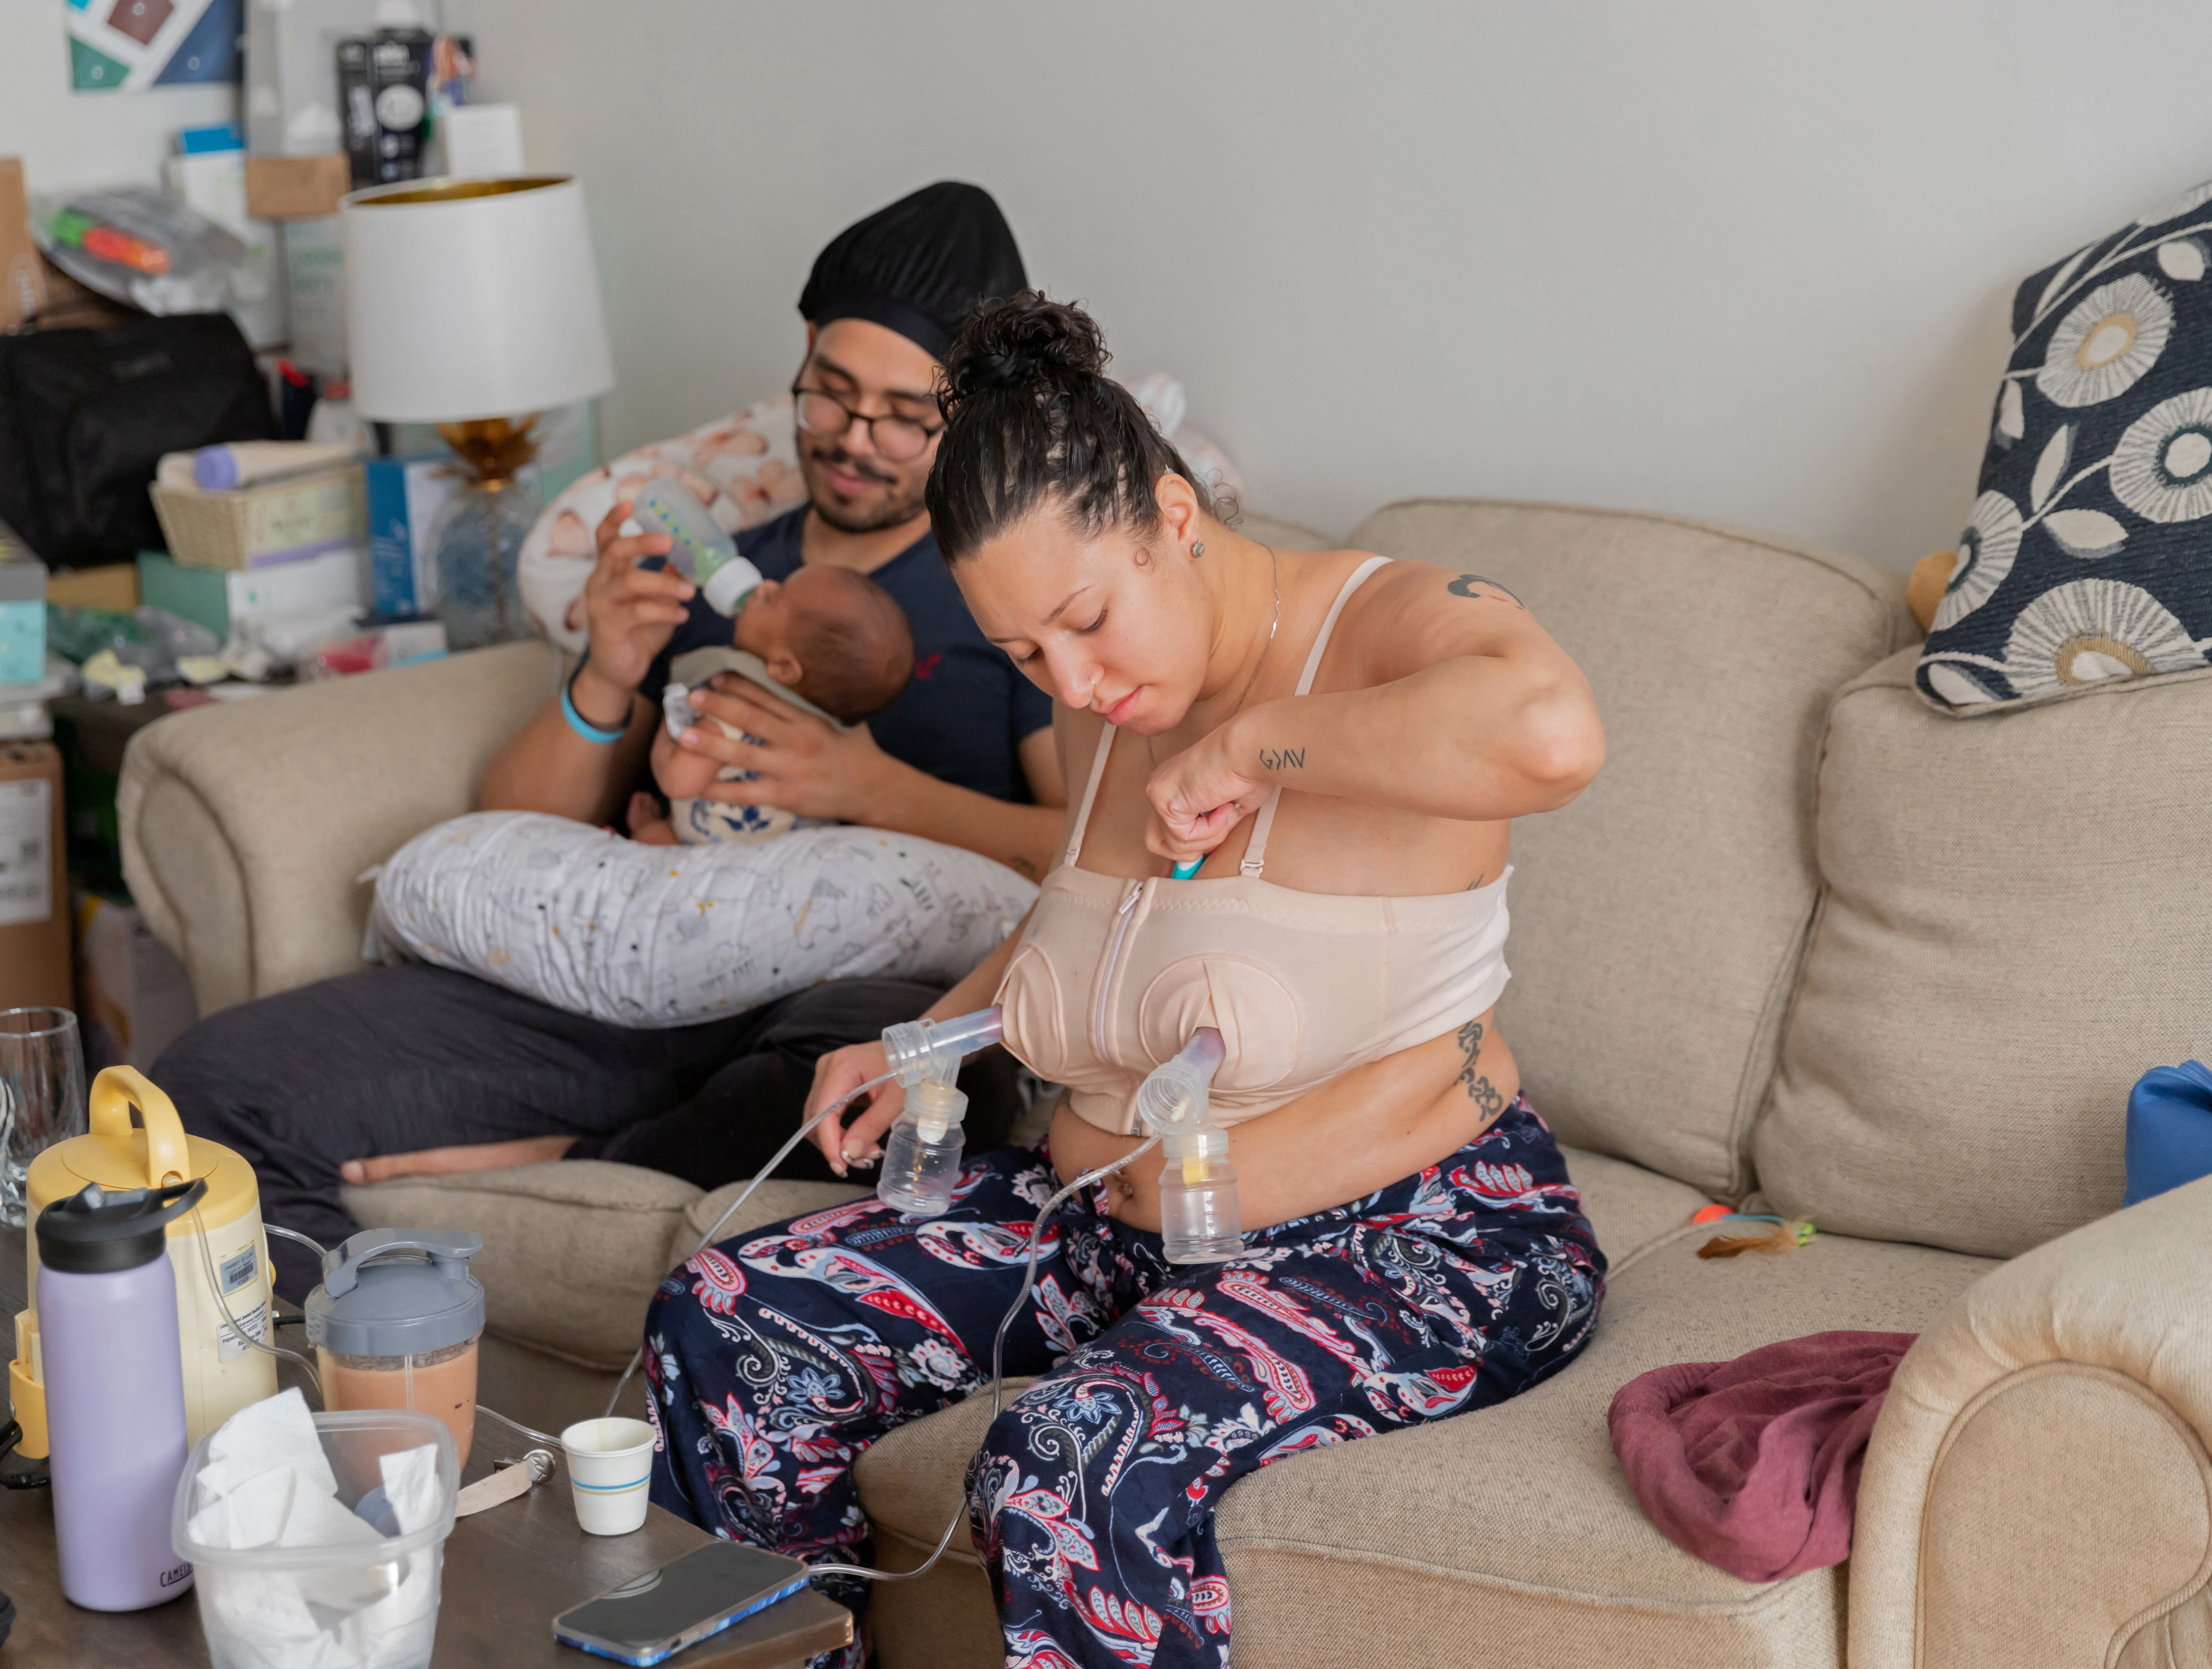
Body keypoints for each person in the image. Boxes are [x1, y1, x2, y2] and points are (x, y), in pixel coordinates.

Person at [643, 294, 1610, 1669]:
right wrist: (917, 1038)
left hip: (1414, 1242)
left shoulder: (1383, 622)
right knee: (736, 1317)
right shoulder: (1108, 706)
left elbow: (1554, 732)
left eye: (1088, 623)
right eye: (1028, 653)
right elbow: (1097, 921)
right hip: (1106, 1228)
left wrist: (1255, 748)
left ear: (1172, 512)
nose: (1075, 682)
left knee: (1063, 1469)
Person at [155, 183, 1066, 1296]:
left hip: (841, 1002)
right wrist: (607, 667)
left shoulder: (1009, 594)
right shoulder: (717, 566)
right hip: (624, 977)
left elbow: (1084, 853)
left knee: (878, 1103)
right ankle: (378, 1348)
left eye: (900, 417)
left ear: (967, 416)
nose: (850, 440)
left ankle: (579, 1160)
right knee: (215, 1082)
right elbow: (522, 826)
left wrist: (871, 788)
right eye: (826, 394)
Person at [629, 564, 913, 845]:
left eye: (773, 598)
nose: (764, 584)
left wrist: (675, 722)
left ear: (784, 668)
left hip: (713, 851)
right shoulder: (831, 731)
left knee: (651, 840)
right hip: (793, 851)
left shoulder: (735, 709)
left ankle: (656, 830)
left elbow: (679, 781)